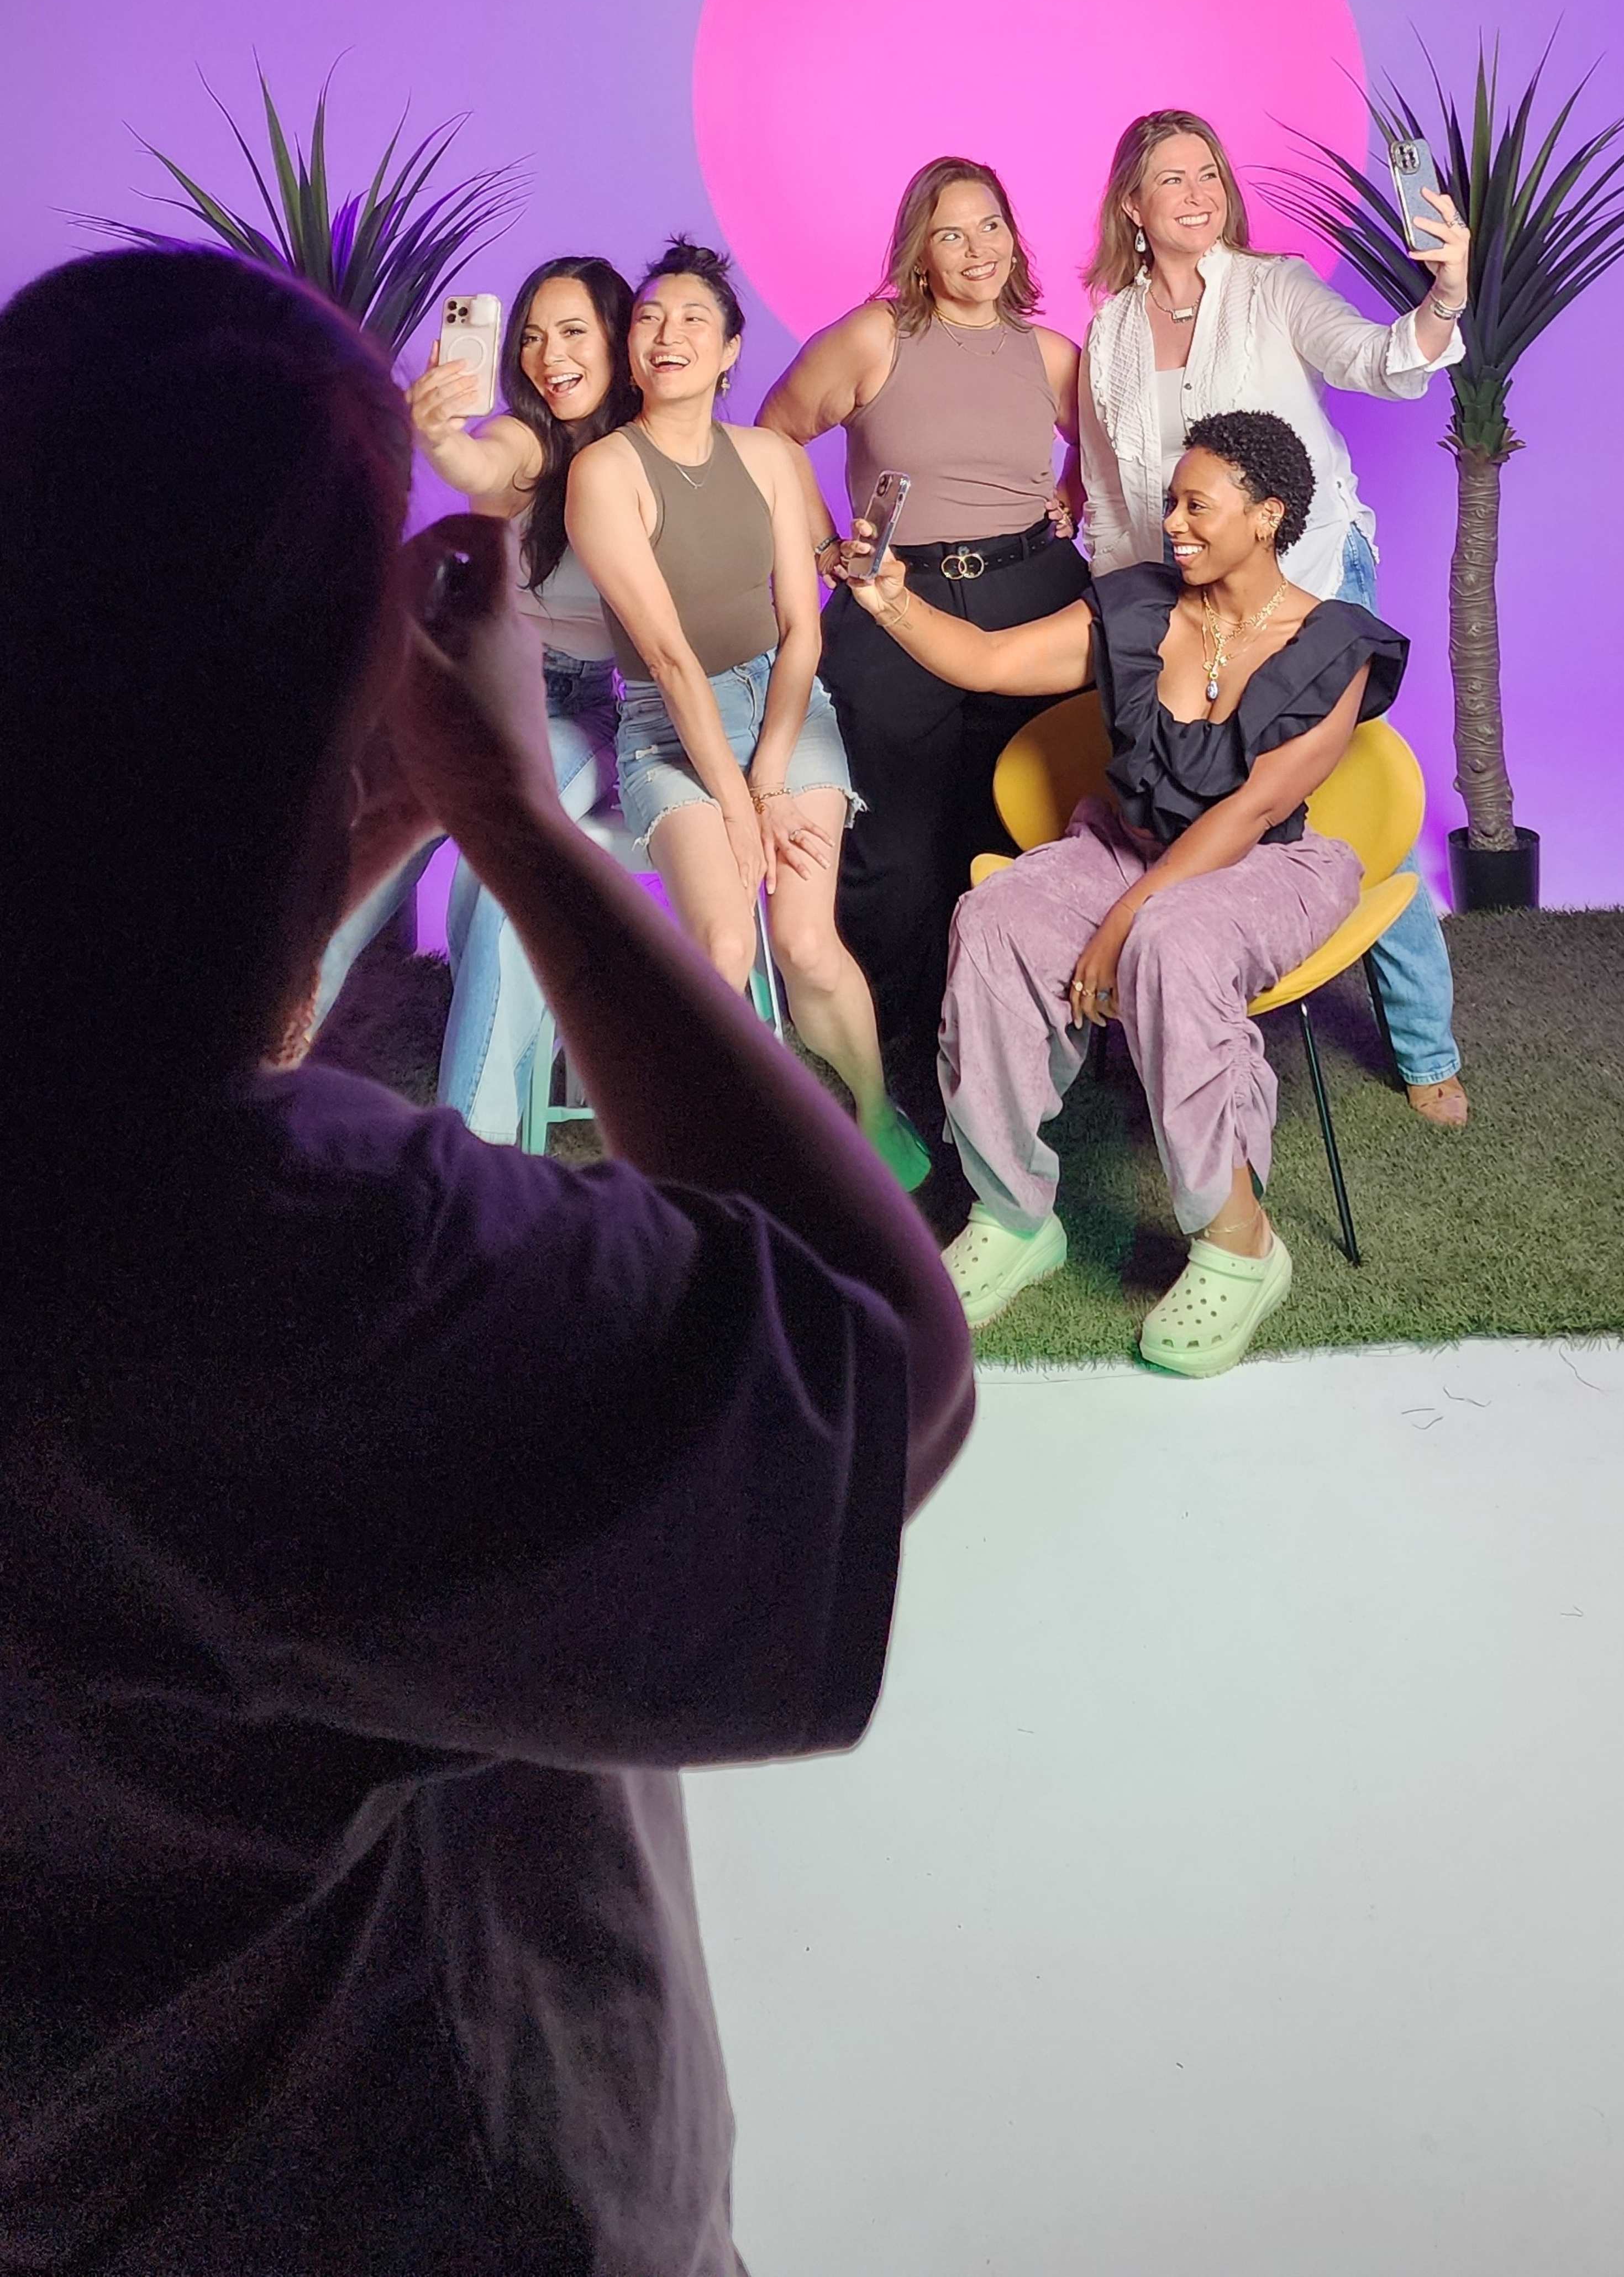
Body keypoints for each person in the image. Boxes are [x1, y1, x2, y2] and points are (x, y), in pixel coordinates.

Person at [0, 245, 973, 2276]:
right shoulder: (300, 1272)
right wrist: (518, 821)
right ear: (358, 705)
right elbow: (884, 1367)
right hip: (437, 2194)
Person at [850, 409, 1405, 1380]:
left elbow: (1253, 808)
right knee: (994, 919)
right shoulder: (1138, 607)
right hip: (1127, 843)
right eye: (1171, 503)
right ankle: (1013, 1215)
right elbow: (986, 662)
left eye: (1200, 505)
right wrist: (888, 597)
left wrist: (1121, 923)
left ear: (1270, 515)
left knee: (1172, 944)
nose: (1175, 522)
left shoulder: (1334, 646)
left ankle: (1240, 1243)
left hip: (1259, 863)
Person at [1078, 107, 1474, 1129]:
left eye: (1210, 172)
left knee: (1349, 803)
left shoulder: (1273, 288)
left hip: (1309, 583)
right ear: (1134, 204)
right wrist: (1126, 633)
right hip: (1186, 608)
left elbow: (1385, 360)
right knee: (1185, 799)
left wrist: (1447, 290)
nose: (1200, 191)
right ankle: (1174, 1002)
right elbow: (1117, 506)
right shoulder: (1112, 329)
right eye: (1173, 177)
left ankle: (1425, 1043)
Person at [566, 237, 929, 1186]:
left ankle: (872, 1108)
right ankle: (702, 1161)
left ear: (731, 352)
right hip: (666, 724)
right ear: (630, 346)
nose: (666, 333)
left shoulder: (769, 456)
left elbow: (802, 636)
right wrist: (734, 804)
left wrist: (768, 777)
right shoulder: (603, 472)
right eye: (648, 317)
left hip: (783, 705)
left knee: (807, 942)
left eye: (693, 319)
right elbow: (673, 660)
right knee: (725, 945)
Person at [761, 156, 1086, 1140]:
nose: (978, 250)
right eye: (952, 233)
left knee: (1015, 830)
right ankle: (888, 1048)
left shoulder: (1053, 354)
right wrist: (824, 546)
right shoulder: (874, 337)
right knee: (895, 848)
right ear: (919, 248)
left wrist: (1066, 494)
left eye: (992, 227)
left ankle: (1008, 1047)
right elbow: (776, 433)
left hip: (1033, 595)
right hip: (901, 599)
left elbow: (1108, 451)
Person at [351, 252, 635, 1138]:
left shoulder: (652, 452)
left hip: (584, 706)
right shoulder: (531, 438)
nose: (551, 355)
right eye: (535, 337)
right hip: (484, 683)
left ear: (623, 339)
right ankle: (246, 1064)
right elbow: (483, 464)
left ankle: (468, 1139)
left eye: (574, 331)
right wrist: (437, 434)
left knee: (493, 841)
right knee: (368, 845)